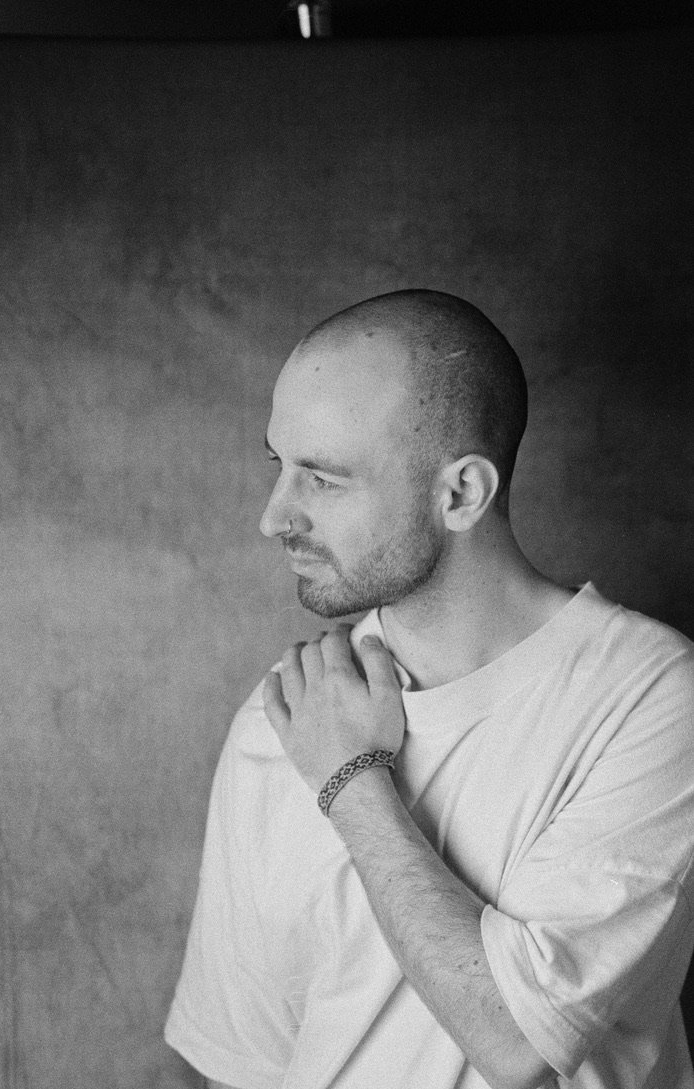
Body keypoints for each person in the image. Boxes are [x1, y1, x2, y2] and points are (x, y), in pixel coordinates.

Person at [165, 290, 694, 1089]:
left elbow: (517, 1040)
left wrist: (352, 782)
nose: (274, 518)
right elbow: (240, 1064)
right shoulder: (286, 713)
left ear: (461, 494)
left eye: (324, 479)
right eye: (280, 465)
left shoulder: (647, 696)